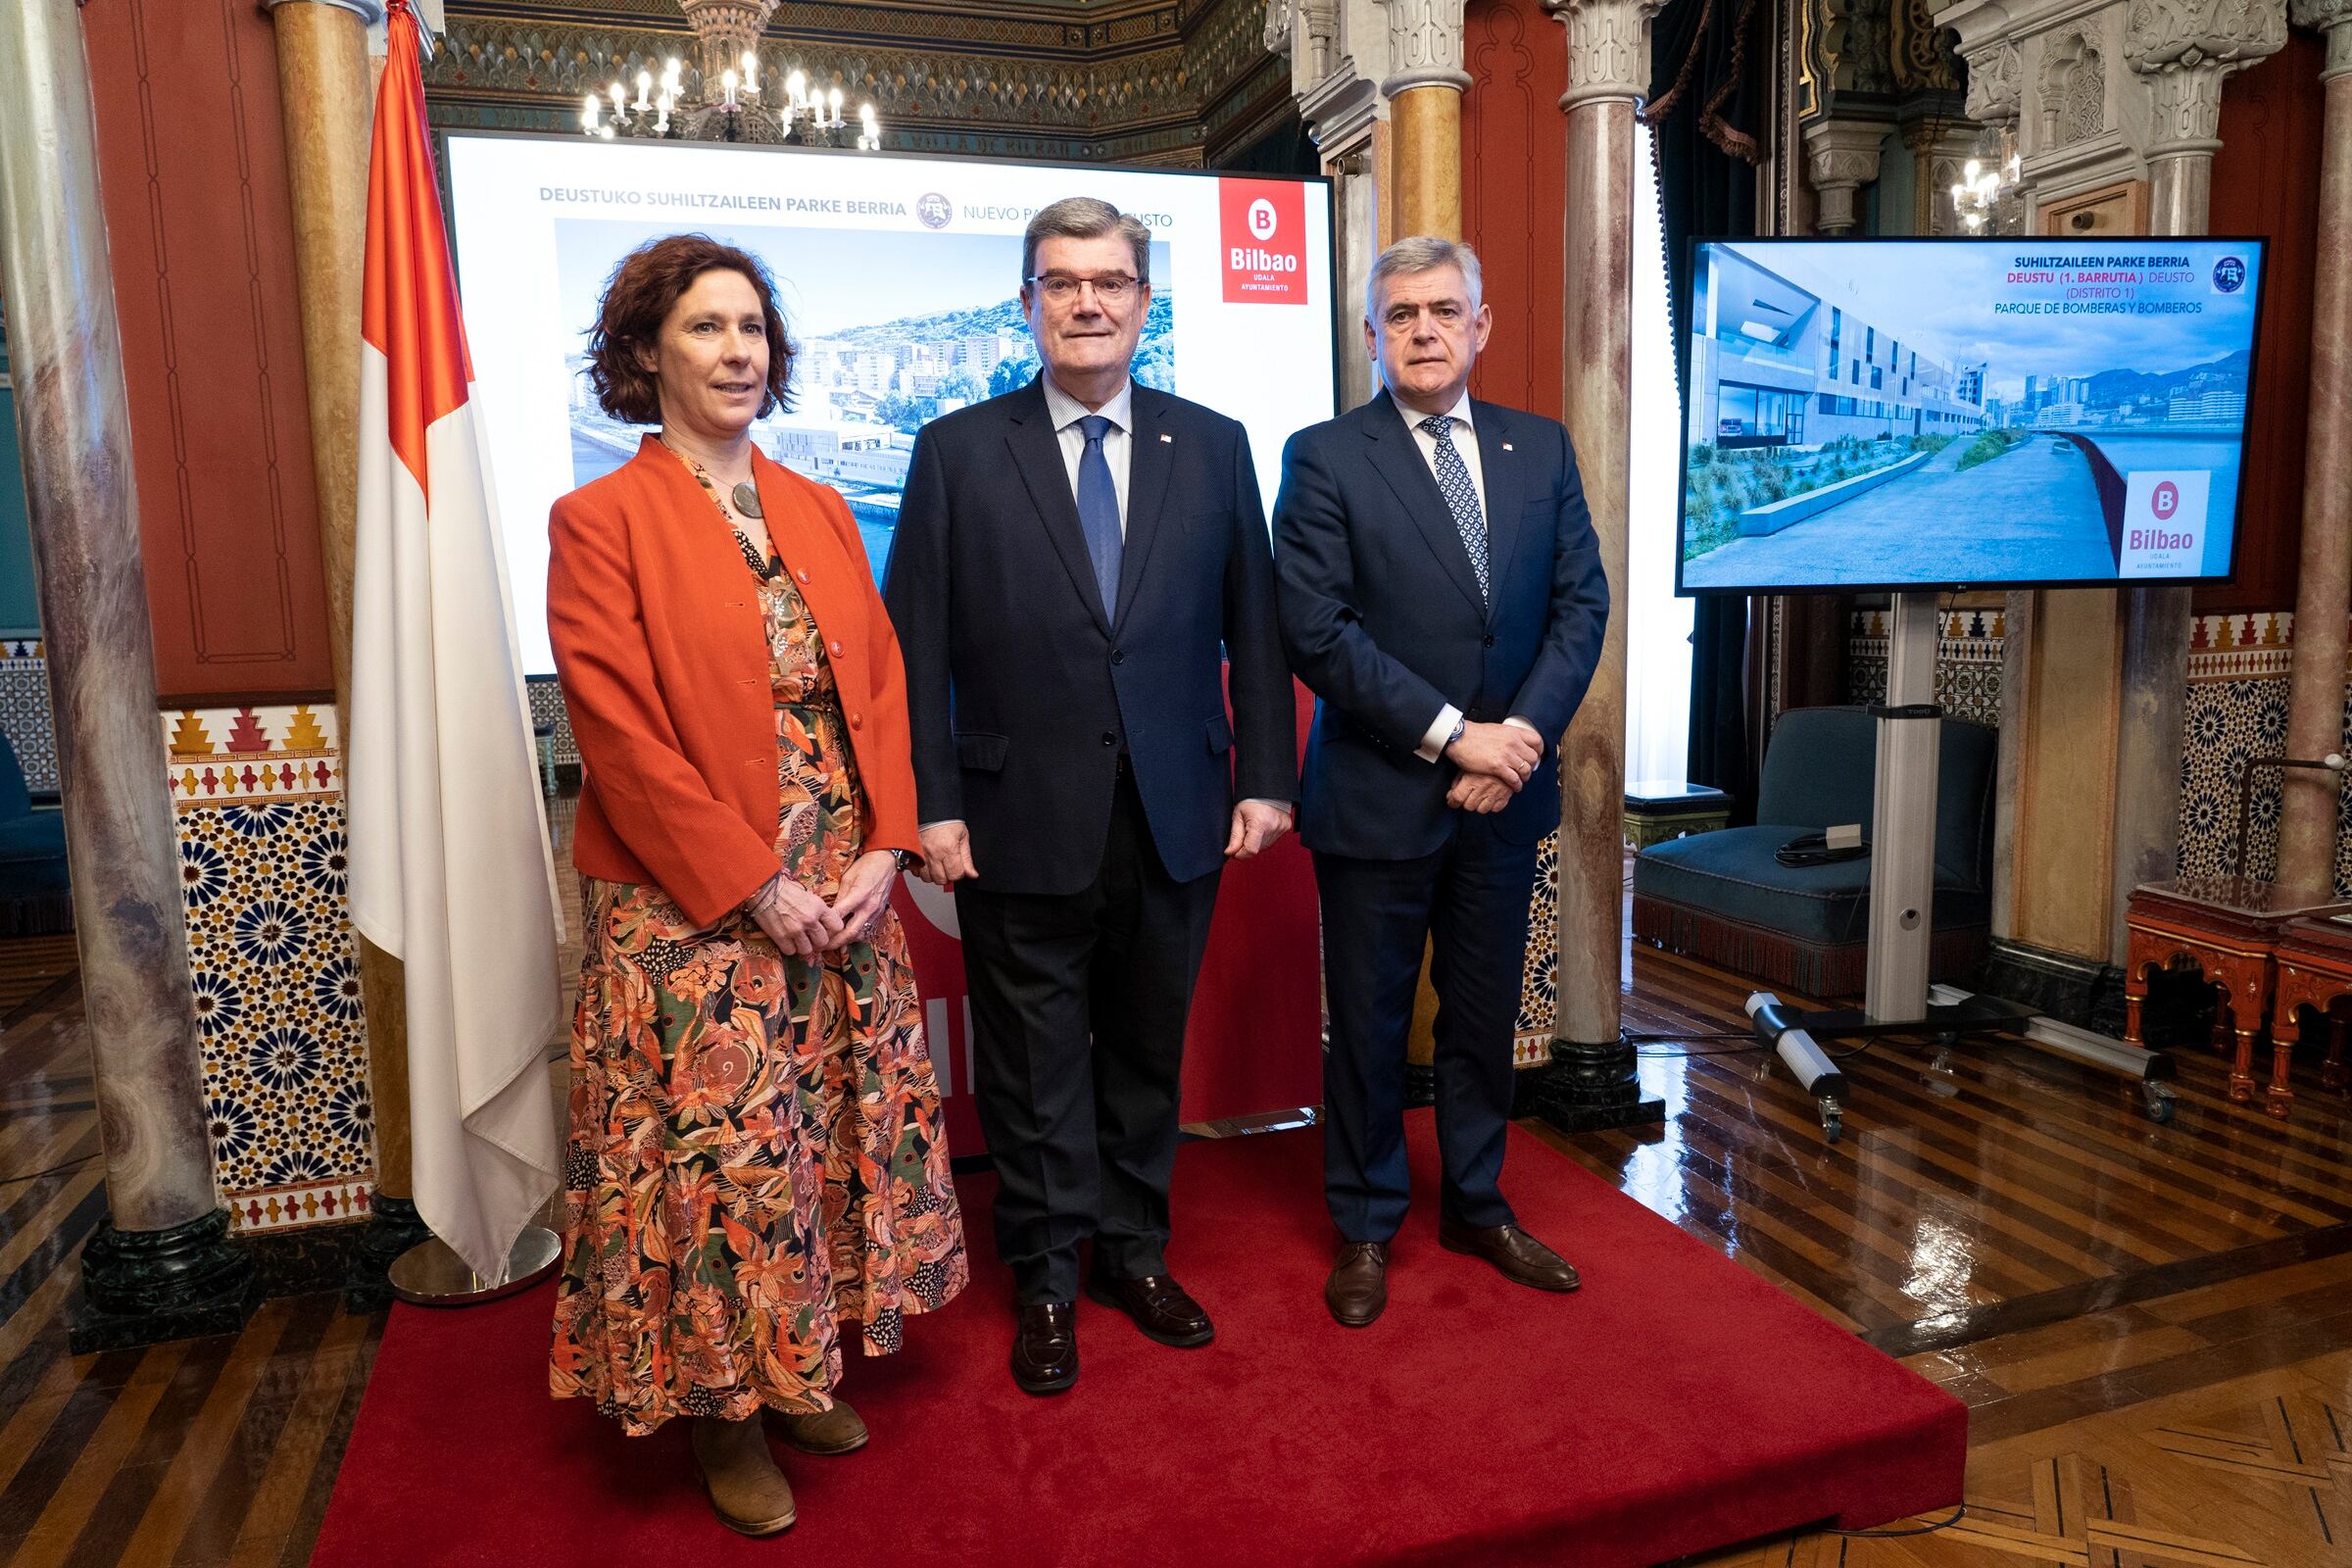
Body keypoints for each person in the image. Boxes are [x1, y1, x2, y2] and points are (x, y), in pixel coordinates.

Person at [545, 234, 965, 1537]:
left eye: (753, 330)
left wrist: (887, 848)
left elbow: (882, 688)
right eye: (707, 329)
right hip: (690, 903)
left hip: (842, 881)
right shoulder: (598, 518)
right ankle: (723, 1414)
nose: (738, 351)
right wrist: (753, 886)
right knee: (723, 1165)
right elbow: (615, 734)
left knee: (824, 1134)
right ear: (647, 354)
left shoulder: (822, 505)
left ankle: (799, 1371)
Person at [883, 197, 1296, 1395]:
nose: (1087, 303)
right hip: (1015, 818)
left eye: (1109, 282)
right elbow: (918, 645)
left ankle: (1134, 1250)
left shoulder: (1212, 445)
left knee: (1143, 1054)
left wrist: (1265, 774)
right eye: (1061, 283)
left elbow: (1253, 630)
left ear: (1143, 302)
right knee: (1031, 1063)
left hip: (1177, 812)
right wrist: (930, 804)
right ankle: (1049, 1274)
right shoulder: (958, 450)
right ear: (1028, 305)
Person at [1272, 236, 1609, 1329]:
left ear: (1481, 325)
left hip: (1504, 798)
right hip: (1380, 796)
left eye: (1444, 310)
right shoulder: (1324, 456)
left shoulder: (1541, 449)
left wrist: (1515, 741)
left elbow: (1581, 607)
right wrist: (1458, 735)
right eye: (1402, 313)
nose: (1424, 329)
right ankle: (1367, 1222)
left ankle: (1475, 1200)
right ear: (1372, 335)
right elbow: (1317, 631)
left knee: (1481, 1015)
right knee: (1368, 1028)